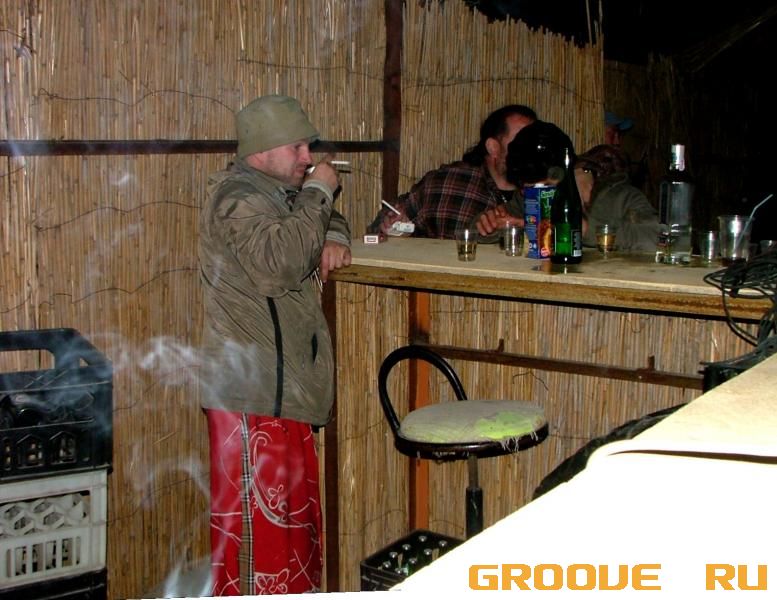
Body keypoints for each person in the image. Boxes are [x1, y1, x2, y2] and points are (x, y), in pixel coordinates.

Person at [198, 95, 351, 595]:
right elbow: (280, 263)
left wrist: (334, 232)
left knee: (290, 541)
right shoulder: (236, 198)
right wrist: (321, 192)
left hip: (281, 394)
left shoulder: (278, 192)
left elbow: (314, 224)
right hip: (250, 400)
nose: (308, 157)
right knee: (256, 548)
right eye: (297, 147)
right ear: (261, 151)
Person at [367, 104, 537, 239]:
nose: (531, 150)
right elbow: (383, 225)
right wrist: (394, 226)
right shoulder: (448, 183)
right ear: (493, 147)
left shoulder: (545, 191)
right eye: (522, 142)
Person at [474, 119, 575, 238]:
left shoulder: (583, 189)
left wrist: (530, 225)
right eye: (527, 187)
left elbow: (589, 231)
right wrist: (490, 224)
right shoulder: (525, 197)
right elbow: (477, 228)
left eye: (546, 187)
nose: (528, 193)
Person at [574, 143, 662, 252]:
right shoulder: (562, 193)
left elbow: (654, 238)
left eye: (585, 170)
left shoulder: (625, 196)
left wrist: (589, 229)